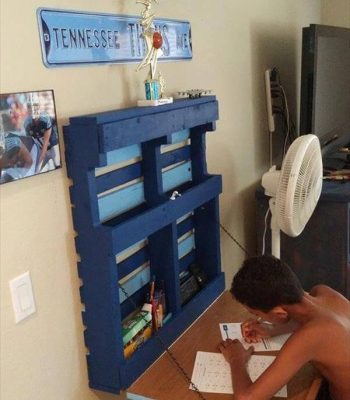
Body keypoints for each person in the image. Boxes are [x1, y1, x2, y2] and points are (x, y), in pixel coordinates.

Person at [218, 255, 350, 400]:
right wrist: (271, 329)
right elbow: (305, 319)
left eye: (256, 313)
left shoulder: (311, 336)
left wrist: (236, 358)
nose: (257, 318)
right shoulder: (323, 292)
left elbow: (246, 398)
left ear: (279, 313)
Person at [23, 103, 59, 173]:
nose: (34, 113)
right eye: (31, 110)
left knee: (57, 162)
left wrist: (38, 162)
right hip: (41, 148)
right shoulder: (27, 124)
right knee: (43, 169)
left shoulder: (45, 119)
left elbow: (46, 142)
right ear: (29, 111)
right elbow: (30, 145)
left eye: (36, 110)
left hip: (52, 145)